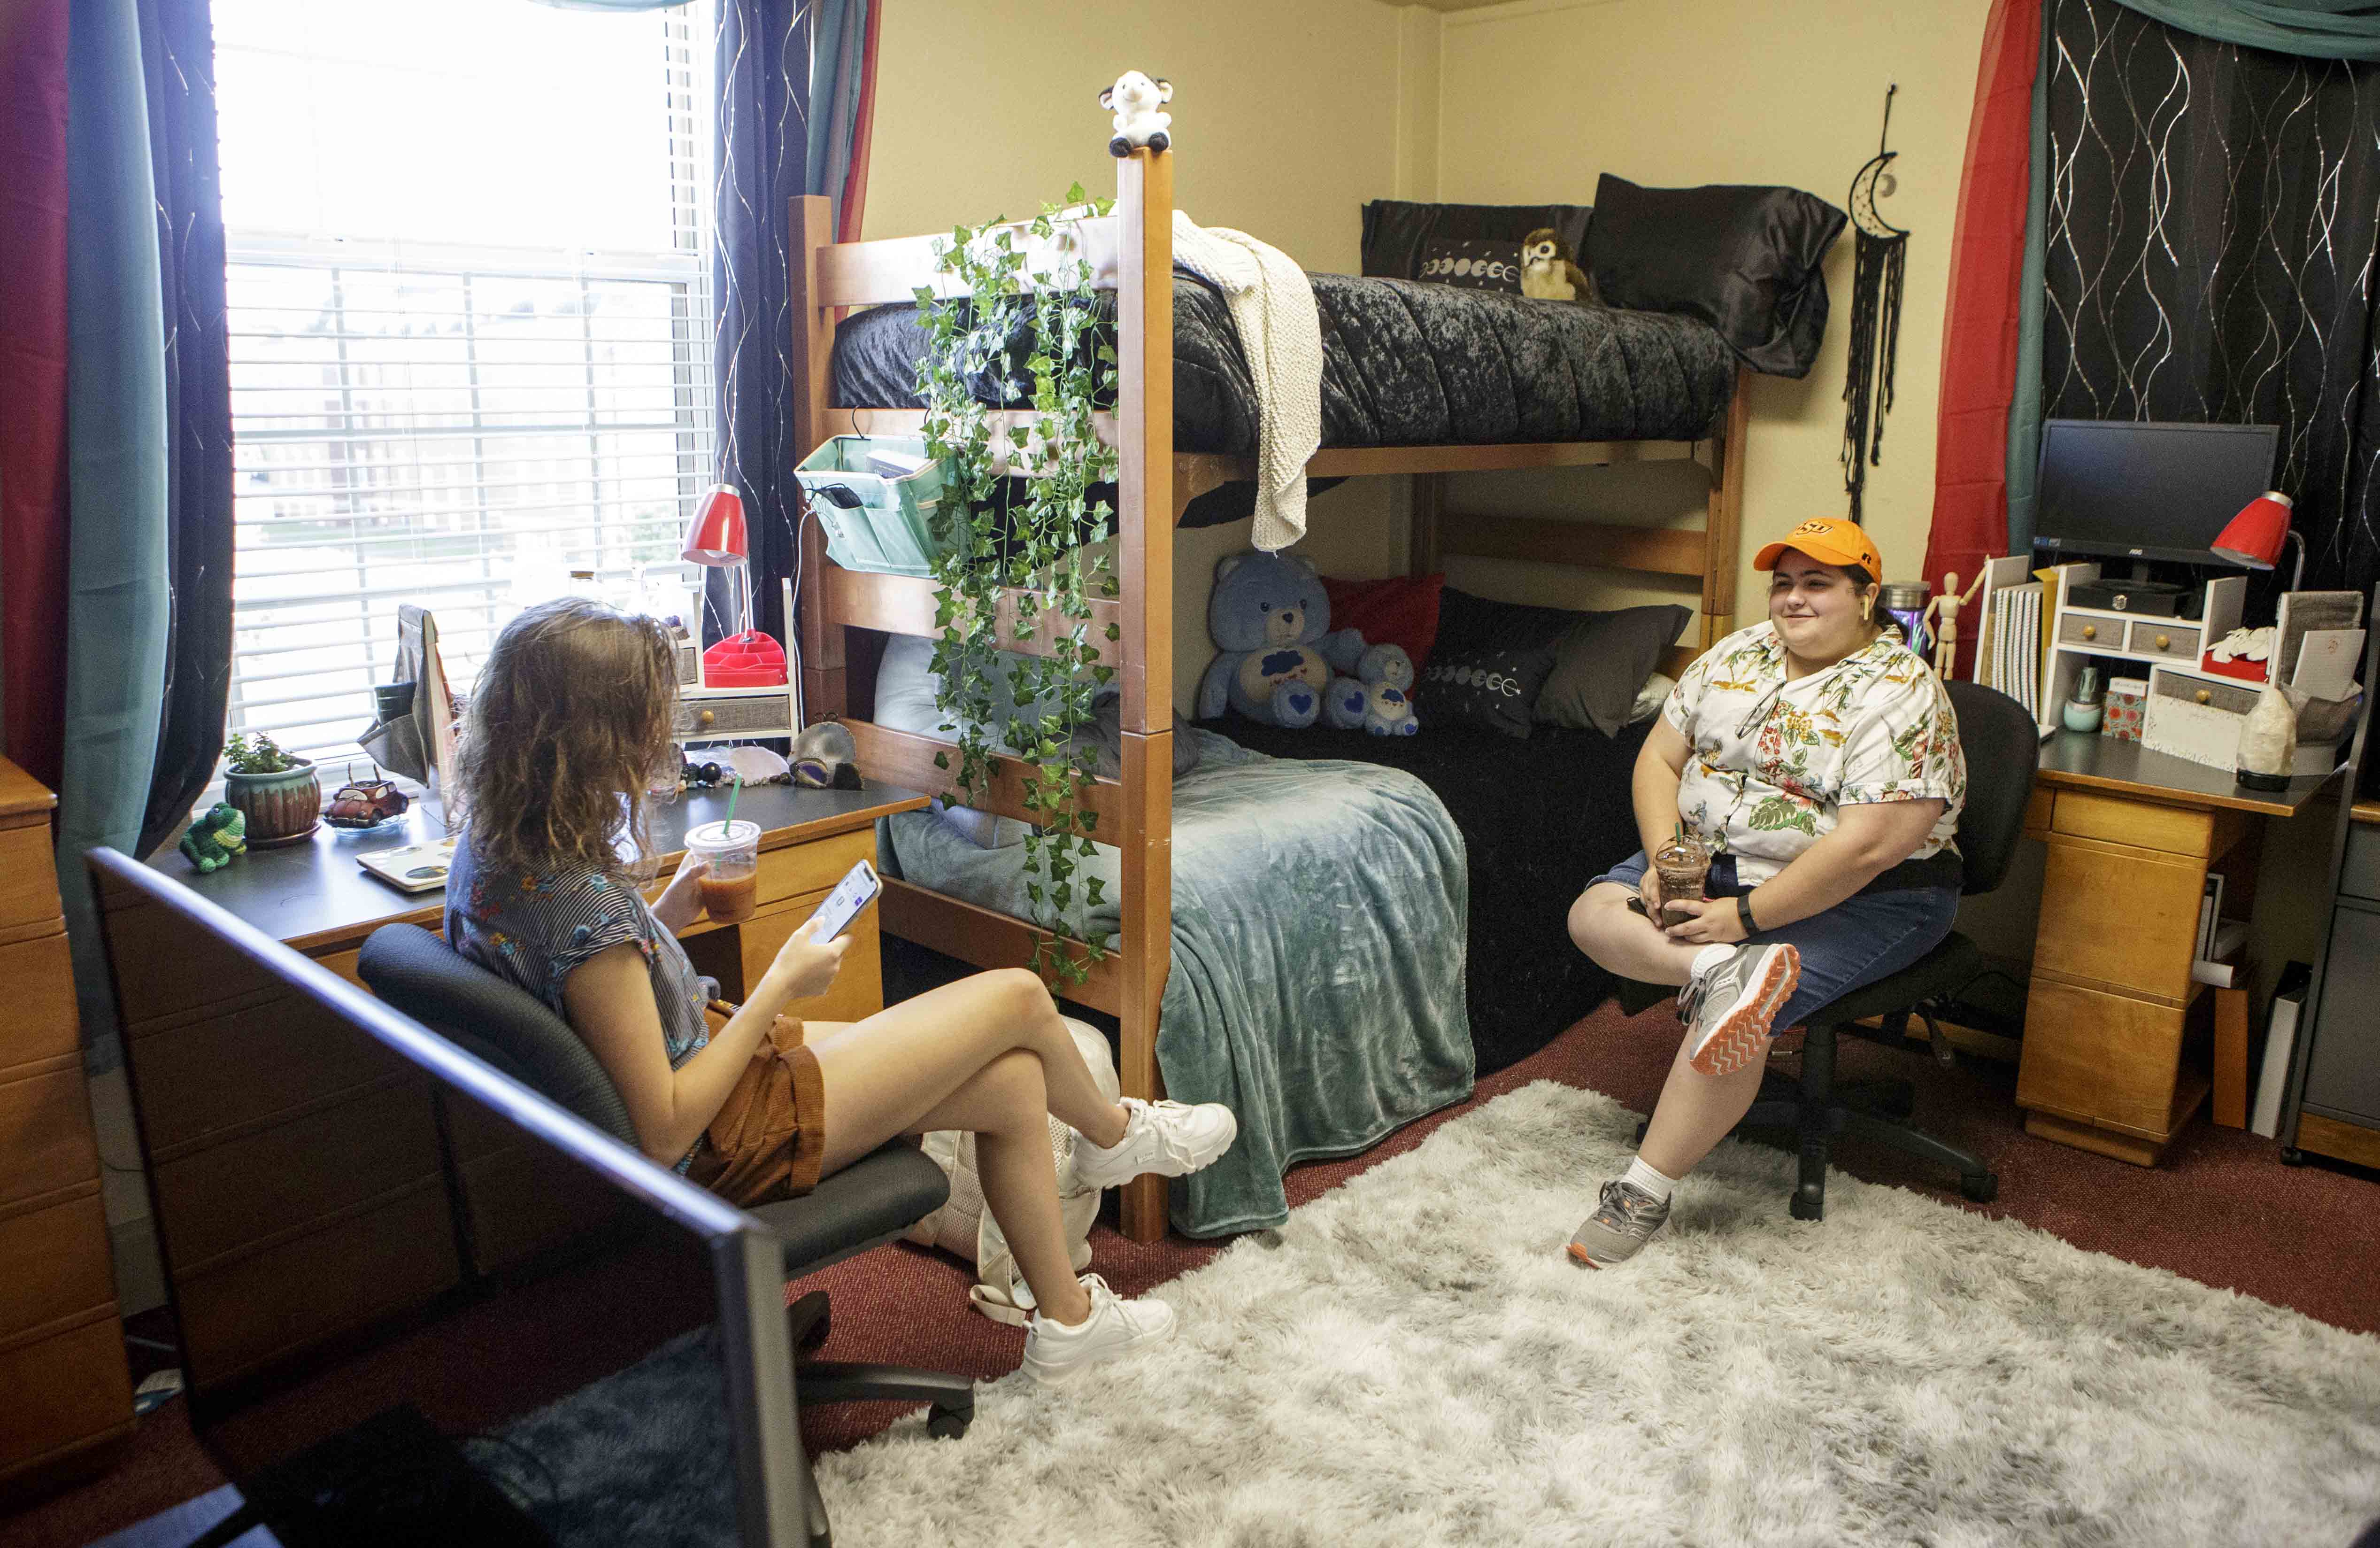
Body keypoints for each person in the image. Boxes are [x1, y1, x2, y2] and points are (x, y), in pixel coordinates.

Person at [444, 598, 1239, 1385]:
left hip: (710, 1068)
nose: (660, 739)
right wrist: (779, 985)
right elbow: (664, 1132)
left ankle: (1067, 1322)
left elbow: (595, 989)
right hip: (722, 1137)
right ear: (592, 741)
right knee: (1020, 996)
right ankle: (1112, 1135)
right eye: (645, 721)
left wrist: (665, 916)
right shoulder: (585, 911)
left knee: (1014, 1083)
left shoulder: (491, 859)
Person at [1564, 517, 1966, 1268]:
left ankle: (1642, 1192)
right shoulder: (1735, 654)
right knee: (1591, 913)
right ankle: (1720, 973)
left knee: (1737, 1020)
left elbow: (1866, 848)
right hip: (1714, 866)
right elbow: (1658, 759)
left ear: (1865, 597)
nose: (1792, 599)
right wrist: (1667, 861)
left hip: (1867, 895)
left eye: (1817, 583)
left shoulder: (1900, 691)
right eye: (1783, 583)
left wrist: (1743, 917)